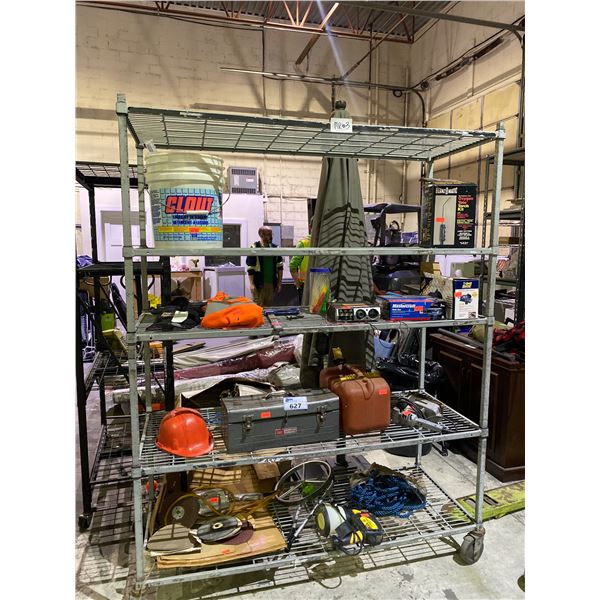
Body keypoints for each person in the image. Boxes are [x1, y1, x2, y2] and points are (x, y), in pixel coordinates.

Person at [246, 226, 283, 307]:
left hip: (271, 284)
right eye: (268, 234)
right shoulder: (255, 248)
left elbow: (280, 267)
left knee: (268, 306)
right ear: (261, 235)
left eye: (271, 234)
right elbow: (250, 267)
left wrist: (279, 283)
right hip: (259, 283)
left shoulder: (275, 248)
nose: (271, 236)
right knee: (258, 306)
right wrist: (252, 284)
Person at [289, 218, 312, 305]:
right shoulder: (326, 243)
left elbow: (293, 266)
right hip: (322, 284)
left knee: (306, 309)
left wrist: (298, 284)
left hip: (305, 285)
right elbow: (293, 266)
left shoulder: (303, 243)